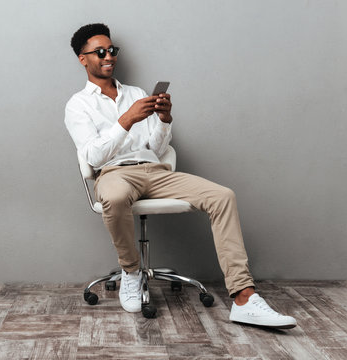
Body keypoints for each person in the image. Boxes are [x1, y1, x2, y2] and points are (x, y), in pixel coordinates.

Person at [64, 23, 297, 329]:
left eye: (112, 50)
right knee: (114, 195)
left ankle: (244, 297)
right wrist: (126, 120)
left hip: (153, 170)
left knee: (222, 196)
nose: (109, 56)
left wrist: (164, 119)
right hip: (115, 174)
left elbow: (156, 147)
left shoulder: (135, 93)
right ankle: (131, 271)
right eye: (100, 52)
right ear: (83, 59)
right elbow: (92, 156)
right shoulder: (78, 105)